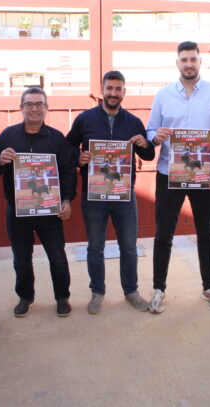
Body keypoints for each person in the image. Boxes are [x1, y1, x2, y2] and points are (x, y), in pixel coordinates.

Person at [146, 41, 210, 313]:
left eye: (193, 59)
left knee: (206, 233)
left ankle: (209, 287)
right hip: (168, 174)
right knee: (164, 234)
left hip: (205, 177)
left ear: (199, 62)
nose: (188, 64)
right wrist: (156, 137)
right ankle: (158, 289)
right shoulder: (163, 95)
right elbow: (150, 132)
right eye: (184, 59)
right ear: (177, 63)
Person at [66, 70, 155, 314]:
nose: (113, 93)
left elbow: (148, 156)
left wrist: (144, 144)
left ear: (124, 92)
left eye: (118, 89)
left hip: (124, 195)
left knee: (129, 245)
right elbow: (67, 146)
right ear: (102, 90)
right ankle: (97, 292)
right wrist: (79, 158)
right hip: (94, 195)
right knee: (95, 247)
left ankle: (131, 291)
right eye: (109, 88)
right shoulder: (85, 119)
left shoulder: (134, 122)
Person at [0, 87, 76, 318]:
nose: (34, 109)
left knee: (57, 256)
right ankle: (25, 297)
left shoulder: (56, 138)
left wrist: (67, 199)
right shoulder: (8, 136)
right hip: (18, 211)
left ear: (46, 108)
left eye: (39, 104)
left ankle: (62, 297)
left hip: (50, 211)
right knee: (21, 258)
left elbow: (68, 171)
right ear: (21, 108)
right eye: (29, 104)